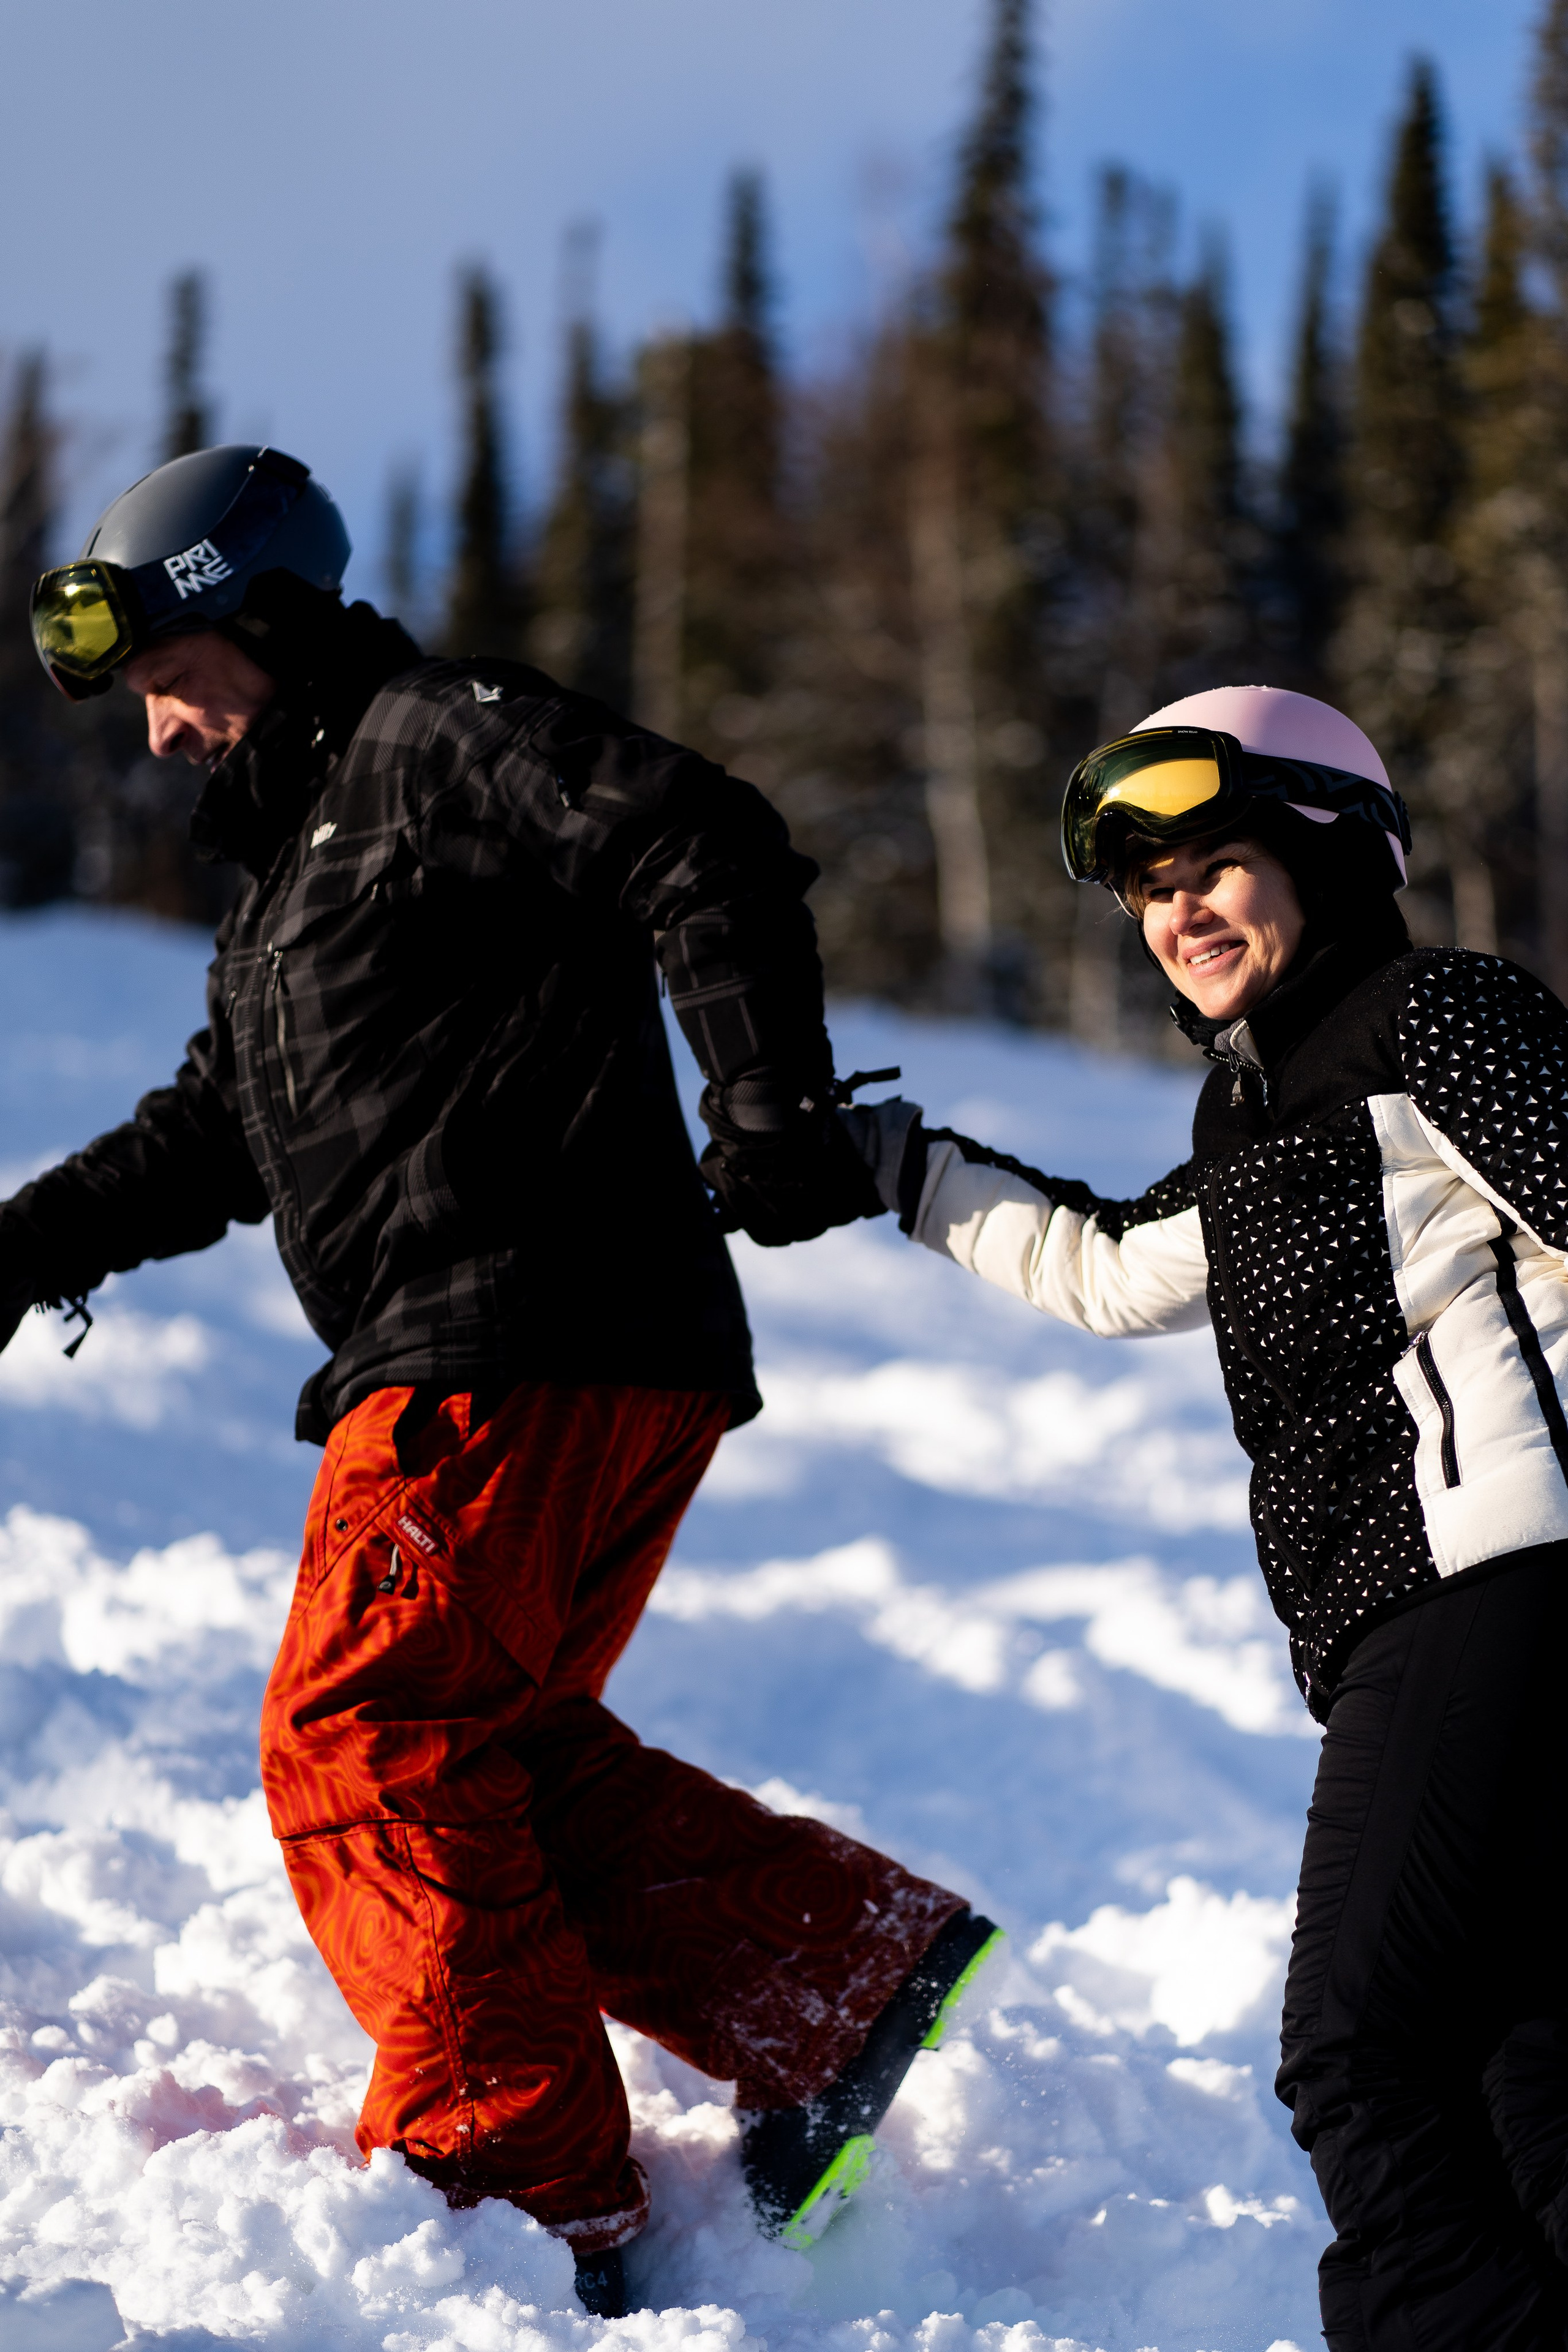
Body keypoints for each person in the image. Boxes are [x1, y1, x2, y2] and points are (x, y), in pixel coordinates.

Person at [1, 445, 1001, 2315]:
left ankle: (517, 2184)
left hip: (509, 1340)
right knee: (491, 1744)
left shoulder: (430, 736)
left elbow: (692, 833)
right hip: (569, 1356)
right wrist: (16, 1246)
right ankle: (833, 1974)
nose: (154, 735)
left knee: (366, 1736)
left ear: (258, 610)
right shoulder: (292, 888)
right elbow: (214, 1135)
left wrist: (770, 1098)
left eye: (165, 676)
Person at [843, 683, 1568, 2351]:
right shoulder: (1258, 1111)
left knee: (1360, 2052)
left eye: (1214, 864)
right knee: (1523, 2070)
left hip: (1497, 1580)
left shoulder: (1431, 1018)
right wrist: (895, 1170)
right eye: (1147, 890)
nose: (1176, 911)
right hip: (1451, 1608)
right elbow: (1112, 1264)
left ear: (1326, 848)